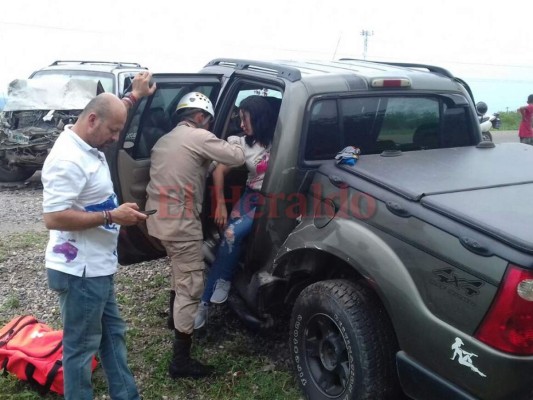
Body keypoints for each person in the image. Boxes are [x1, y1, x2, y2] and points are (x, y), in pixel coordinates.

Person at [42, 72, 157, 400]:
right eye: (113, 131)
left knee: (112, 335)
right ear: (92, 120)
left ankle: (126, 395)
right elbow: (53, 217)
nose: (115, 137)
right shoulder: (67, 159)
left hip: (97, 268)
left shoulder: (89, 137)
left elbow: (114, 110)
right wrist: (111, 215)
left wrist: (134, 96)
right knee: (80, 349)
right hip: (80, 273)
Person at [145, 92, 245, 379]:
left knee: (180, 268)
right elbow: (235, 157)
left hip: (157, 222)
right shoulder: (199, 137)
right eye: (208, 121)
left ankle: (172, 317)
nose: (208, 126)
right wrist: (237, 139)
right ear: (200, 117)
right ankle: (181, 361)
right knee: (192, 283)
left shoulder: (165, 140)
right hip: (180, 225)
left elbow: (192, 166)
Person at [194, 95, 276, 330]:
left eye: (245, 118)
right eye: (240, 119)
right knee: (227, 238)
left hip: (271, 200)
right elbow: (218, 172)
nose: (241, 124)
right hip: (250, 196)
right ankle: (208, 298)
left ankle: (217, 286)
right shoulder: (241, 143)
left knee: (231, 234)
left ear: (259, 118)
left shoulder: (282, 139)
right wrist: (220, 203)